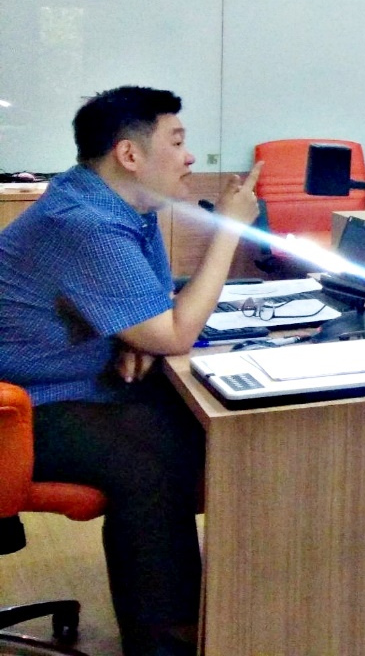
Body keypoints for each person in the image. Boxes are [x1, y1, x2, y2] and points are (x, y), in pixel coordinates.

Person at [0, 87, 261, 656]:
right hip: (22, 404)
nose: (190, 156)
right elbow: (174, 333)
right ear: (129, 154)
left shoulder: (122, 207)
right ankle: (164, 643)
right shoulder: (83, 221)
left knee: (210, 429)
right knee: (149, 462)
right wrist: (229, 231)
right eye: (178, 141)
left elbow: (155, 312)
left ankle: (215, 619)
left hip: (68, 382)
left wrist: (131, 333)